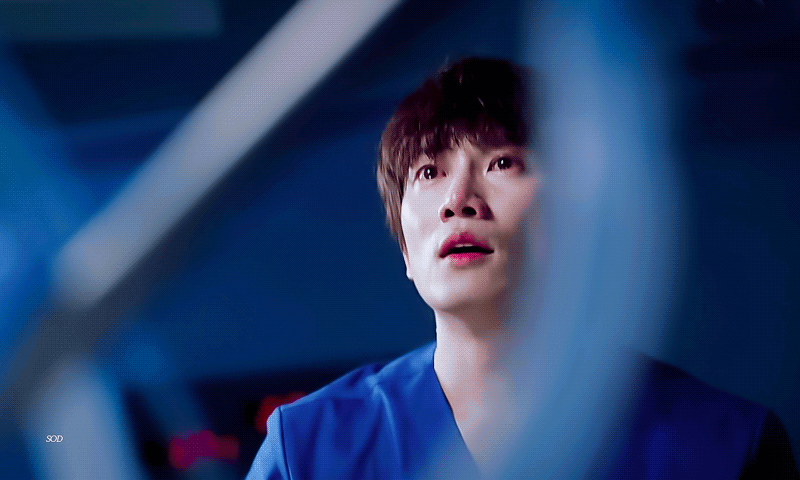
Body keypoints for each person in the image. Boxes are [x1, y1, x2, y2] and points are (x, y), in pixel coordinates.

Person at [246, 57, 798, 479]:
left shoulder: (724, 447)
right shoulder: (306, 450)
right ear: (407, 251)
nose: (458, 200)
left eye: (503, 162)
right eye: (429, 172)